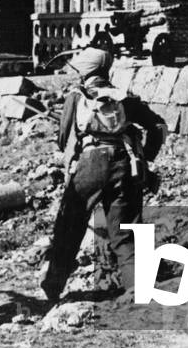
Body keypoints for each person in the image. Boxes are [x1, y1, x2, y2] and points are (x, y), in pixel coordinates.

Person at [40, 47, 168, 302]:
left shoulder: (76, 97)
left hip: (91, 164)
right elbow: (158, 127)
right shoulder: (124, 97)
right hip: (127, 164)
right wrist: (147, 158)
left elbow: (63, 139)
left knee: (69, 226)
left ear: (84, 73)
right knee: (125, 231)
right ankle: (137, 290)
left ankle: (52, 289)